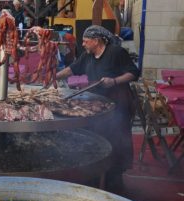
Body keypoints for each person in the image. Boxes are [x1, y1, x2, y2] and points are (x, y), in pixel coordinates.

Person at [55, 25, 140, 190]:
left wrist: (114, 81)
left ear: (96, 41)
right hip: (96, 103)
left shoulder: (115, 52)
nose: (84, 44)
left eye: (86, 41)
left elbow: (134, 73)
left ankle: (114, 179)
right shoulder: (88, 56)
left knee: (115, 139)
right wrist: (53, 76)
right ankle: (94, 174)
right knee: (96, 137)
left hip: (117, 104)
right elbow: (72, 69)